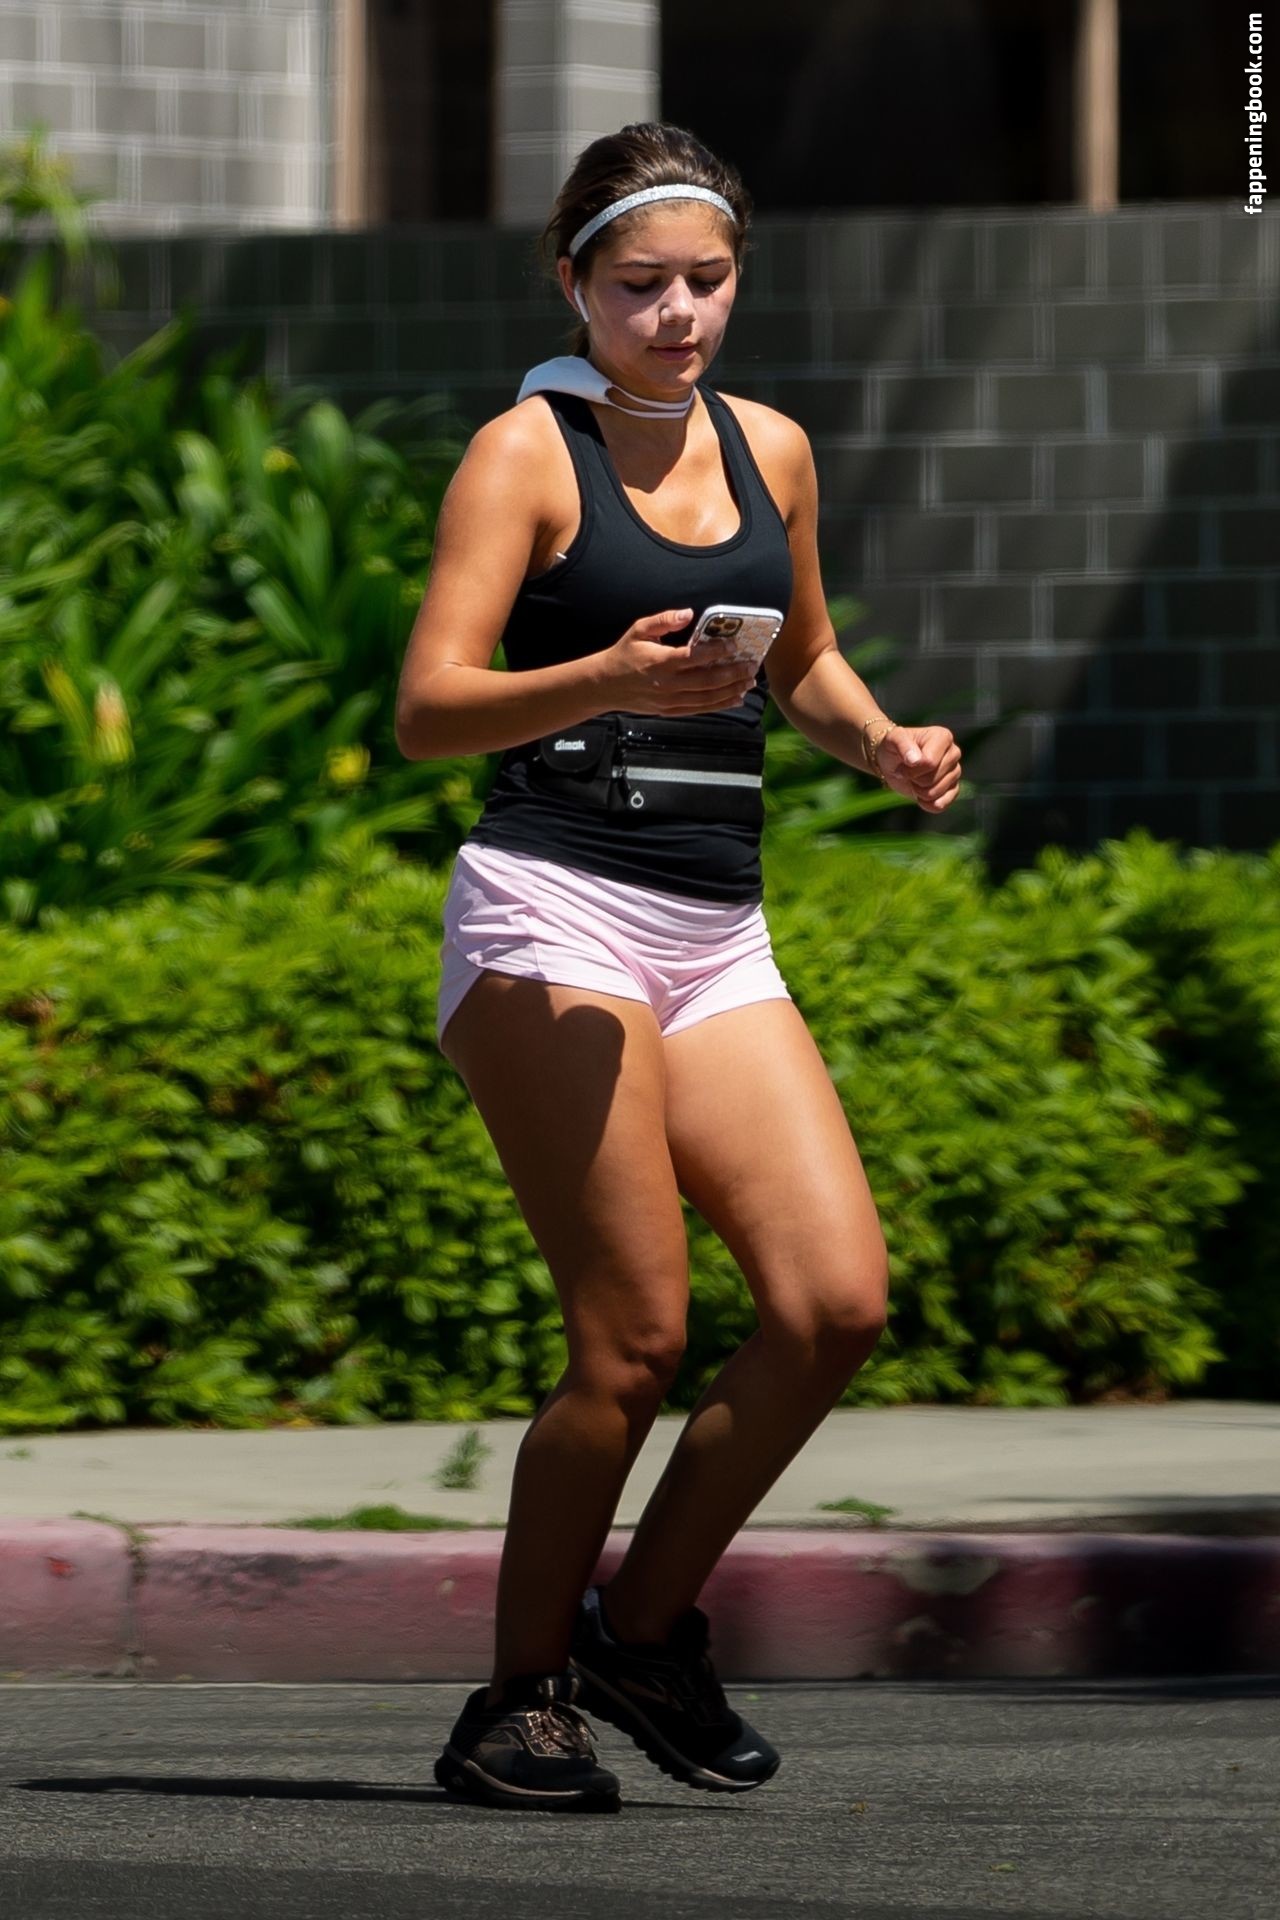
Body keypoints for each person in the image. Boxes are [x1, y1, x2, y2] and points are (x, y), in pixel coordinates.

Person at [395, 121, 961, 1814]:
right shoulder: (526, 455)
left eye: (707, 280)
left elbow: (809, 661)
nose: (680, 314)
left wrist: (882, 742)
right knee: (633, 1340)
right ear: (575, 284)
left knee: (833, 1306)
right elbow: (430, 707)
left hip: (716, 929)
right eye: (642, 285)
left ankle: (639, 1634)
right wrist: (607, 681)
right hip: (549, 911)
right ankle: (517, 1700)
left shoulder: (769, 446)